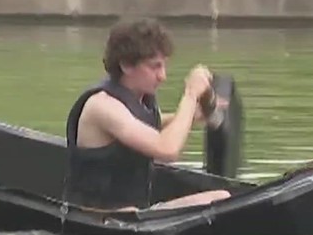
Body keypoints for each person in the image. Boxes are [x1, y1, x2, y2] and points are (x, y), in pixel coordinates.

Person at [63, 17, 232, 211]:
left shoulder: (141, 100)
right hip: (97, 220)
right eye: (155, 66)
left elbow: (152, 125)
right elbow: (167, 149)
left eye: (163, 66)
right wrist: (191, 94)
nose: (163, 76)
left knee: (222, 198)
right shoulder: (103, 106)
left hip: (135, 216)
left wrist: (191, 115)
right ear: (126, 65)